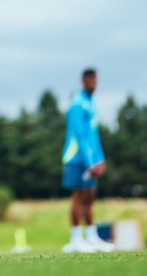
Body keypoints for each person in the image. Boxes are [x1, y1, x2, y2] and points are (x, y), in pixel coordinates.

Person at [60, 68, 115, 253]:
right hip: (76, 158)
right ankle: (75, 239)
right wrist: (91, 160)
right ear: (83, 81)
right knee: (78, 196)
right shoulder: (77, 103)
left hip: (91, 158)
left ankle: (91, 237)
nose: (94, 84)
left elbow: (93, 135)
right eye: (91, 81)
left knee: (90, 196)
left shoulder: (91, 103)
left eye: (96, 81)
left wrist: (100, 159)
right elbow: (81, 135)